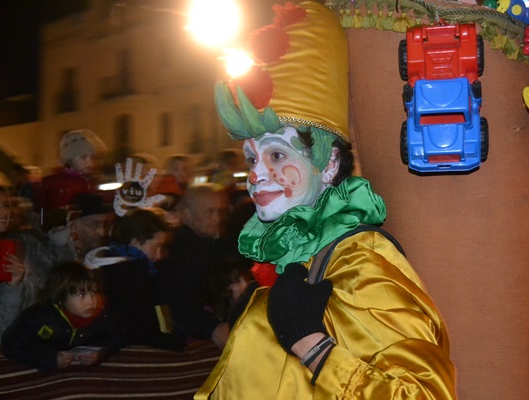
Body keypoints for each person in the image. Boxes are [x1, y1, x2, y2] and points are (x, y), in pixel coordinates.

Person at [195, 2, 455, 399]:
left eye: (278, 155)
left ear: (329, 163)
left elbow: (424, 394)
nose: (256, 174)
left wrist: (312, 346)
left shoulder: (360, 260)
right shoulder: (290, 256)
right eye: (251, 158)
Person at [85, 207, 183, 350]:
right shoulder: (129, 277)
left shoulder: (124, 271)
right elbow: (145, 327)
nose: (159, 255)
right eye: (155, 247)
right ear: (135, 242)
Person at [1, 261, 123, 371]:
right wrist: (49, 359)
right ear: (60, 296)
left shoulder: (100, 316)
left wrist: (101, 354)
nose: (90, 301)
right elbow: (10, 345)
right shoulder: (37, 317)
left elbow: (117, 337)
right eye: (81, 295)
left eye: (92, 292)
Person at [157, 184, 235, 348]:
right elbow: (175, 300)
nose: (217, 219)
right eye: (209, 212)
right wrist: (211, 327)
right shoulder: (174, 252)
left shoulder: (222, 243)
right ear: (187, 215)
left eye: (219, 211)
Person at [0, 185, 56, 346]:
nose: (4, 212)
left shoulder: (22, 244)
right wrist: (12, 288)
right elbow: (0, 335)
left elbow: (57, 277)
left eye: (6, 205)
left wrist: (14, 284)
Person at [40, 129, 106, 230]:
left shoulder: (91, 180)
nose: (89, 163)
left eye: (91, 158)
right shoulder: (60, 183)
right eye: (84, 157)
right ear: (70, 160)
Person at [49, 193, 113, 263]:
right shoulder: (57, 253)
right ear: (73, 227)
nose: (102, 233)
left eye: (105, 226)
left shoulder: (111, 252)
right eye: (94, 225)